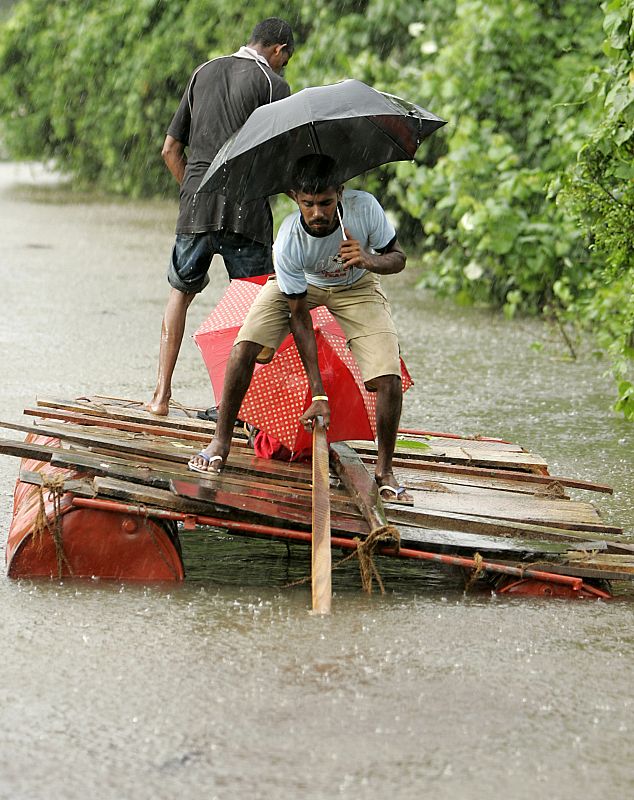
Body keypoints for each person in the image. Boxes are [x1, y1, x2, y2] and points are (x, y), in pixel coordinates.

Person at [188, 154, 413, 504]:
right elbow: (298, 316)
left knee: (388, 378)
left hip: (356, 287)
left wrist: (368, 260)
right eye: (309, 204)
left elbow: (397, 257)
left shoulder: (365, 208)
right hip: (301, 287)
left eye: (326, 202)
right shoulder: (289, 239)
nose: (318, 213)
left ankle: (385, 470)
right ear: (295, 198)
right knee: (244, 346)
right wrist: (318, 395)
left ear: (340, 192)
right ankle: (221, 440)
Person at [146, 18, 295, 416]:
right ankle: (234, 407)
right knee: (255, 305)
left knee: (180, 293)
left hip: (195, 206)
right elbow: (277, 155)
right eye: (285, 60)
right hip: (246, 210)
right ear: (278, 50)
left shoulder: (202, 71)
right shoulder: (272, 85)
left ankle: (160, 397)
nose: (283, 68)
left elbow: (170, 150)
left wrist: (193, 192)